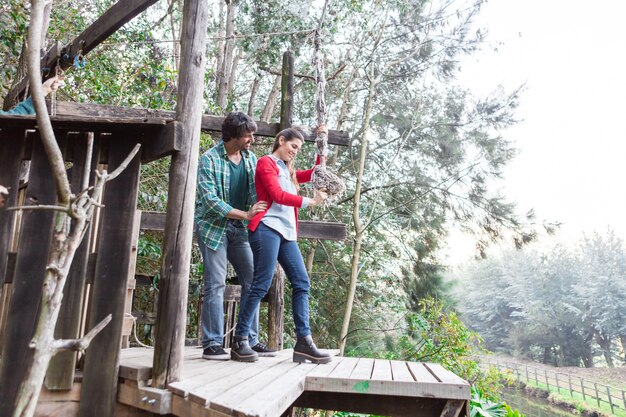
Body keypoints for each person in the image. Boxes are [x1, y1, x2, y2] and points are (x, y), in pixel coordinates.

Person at [231, 126, 331, 364]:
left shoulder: (290, 171)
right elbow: (276, 195)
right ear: (281, 140)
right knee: (261, 284)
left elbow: (318, 172)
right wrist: (311, 202)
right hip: (266, 227)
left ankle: (303, 342)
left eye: (298, 149)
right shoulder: (266, 163)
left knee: (301, 282)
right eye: (293, 146)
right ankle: (240, 339)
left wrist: (321, 141)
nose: (295, 152)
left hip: (286, 233)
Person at [195, 111, 277, 360]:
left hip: (241, 230)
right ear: (233, 135)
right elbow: (210, 200)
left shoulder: (251, 160)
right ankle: (212, 343)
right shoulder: (209, 159)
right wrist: (244, 214)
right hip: (213, 228)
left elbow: (261, 190)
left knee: (254, 281)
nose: (251, 138)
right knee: (216, 283)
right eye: (247, 135)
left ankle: (247, 339)